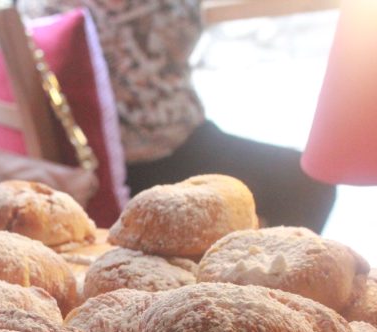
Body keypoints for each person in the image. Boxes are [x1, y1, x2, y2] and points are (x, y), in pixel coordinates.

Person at [17, 0, 337, 233]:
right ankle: (266, 292)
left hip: (113, 152)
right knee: (307, 182)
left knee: (305, 177)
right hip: (153, 160)